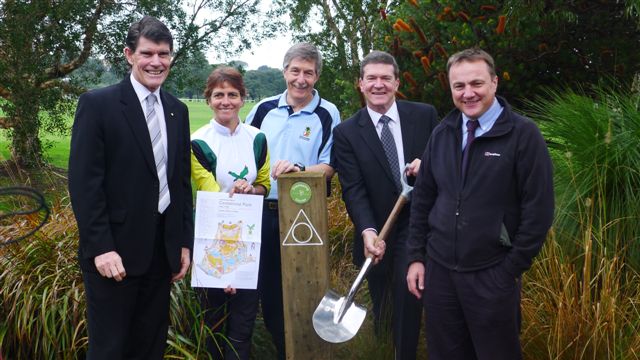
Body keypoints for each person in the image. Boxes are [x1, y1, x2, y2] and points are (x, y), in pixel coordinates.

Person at [406, 48, 554, 360]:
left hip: (492, 274)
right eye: (459, 86)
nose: (468, 93)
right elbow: (423, 199)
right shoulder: (442, 133)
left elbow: (538, 211)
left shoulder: (523, 135)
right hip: (440, 274)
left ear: (495, 83)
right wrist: (417, 257)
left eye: (477, 84)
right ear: (450, 88)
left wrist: (509, 270)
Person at [68, 16, 193, 359]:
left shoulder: (177, 111)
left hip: (161, 255)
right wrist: (100, 247)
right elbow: (84, 184)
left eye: (164, 54)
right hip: (115, 256)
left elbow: (180, 183)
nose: (156, 62)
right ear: (129, 54)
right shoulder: (98, 105)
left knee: (149, 349)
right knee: (110, 350)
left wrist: (183, 242)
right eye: (147, 53)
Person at [332, 50, 439, 360]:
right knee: (382, 303)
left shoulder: (424, 115)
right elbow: (353, 189)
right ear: (361, 84)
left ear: (397, 82)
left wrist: (428, 164)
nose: (379, 84)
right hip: (376, 228)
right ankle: (384, 346)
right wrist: (367, 230)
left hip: (418, 225)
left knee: (409, 297)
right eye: (371, 78)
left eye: (385, 78)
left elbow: (446, 161)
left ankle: (403, 352)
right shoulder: (347, 132)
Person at [245, 42, 340, 359]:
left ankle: (305, 350)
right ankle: (277, 349)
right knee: (266, 291)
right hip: (260, 211)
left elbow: (328, 167)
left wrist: (298, 171)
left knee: (303, 288)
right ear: (285, 71)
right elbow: (244, 155)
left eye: (309, 73)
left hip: (303, 215)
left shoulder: (327, 113)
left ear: (317, 77)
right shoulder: (262, 110)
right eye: (296, 71)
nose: (301, 79)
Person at [190, 66, 270, 359]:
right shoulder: (198, 141)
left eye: (232, 95)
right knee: (213, 322)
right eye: (218, 95)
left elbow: (263, 185)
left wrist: (251, 191)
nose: (226, 101)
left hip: (249, 242)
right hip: (211, 242)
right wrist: (226, 269)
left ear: (242, 98)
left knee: (243, 323)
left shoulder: (258, 138)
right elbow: (209, 196)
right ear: (208, 99)